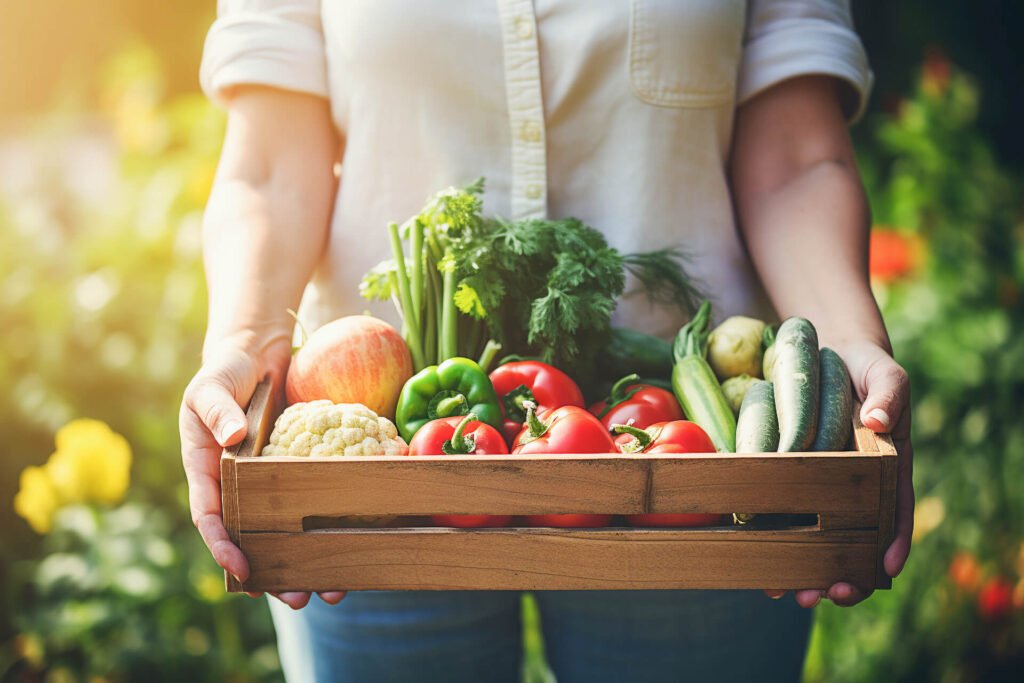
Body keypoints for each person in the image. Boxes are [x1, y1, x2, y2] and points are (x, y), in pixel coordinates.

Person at [180, 1, 914, 681]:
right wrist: (243, 339)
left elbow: (795, 155)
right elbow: (271, 164)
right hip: (372, 461)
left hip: (694, 464)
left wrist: (849, 345)